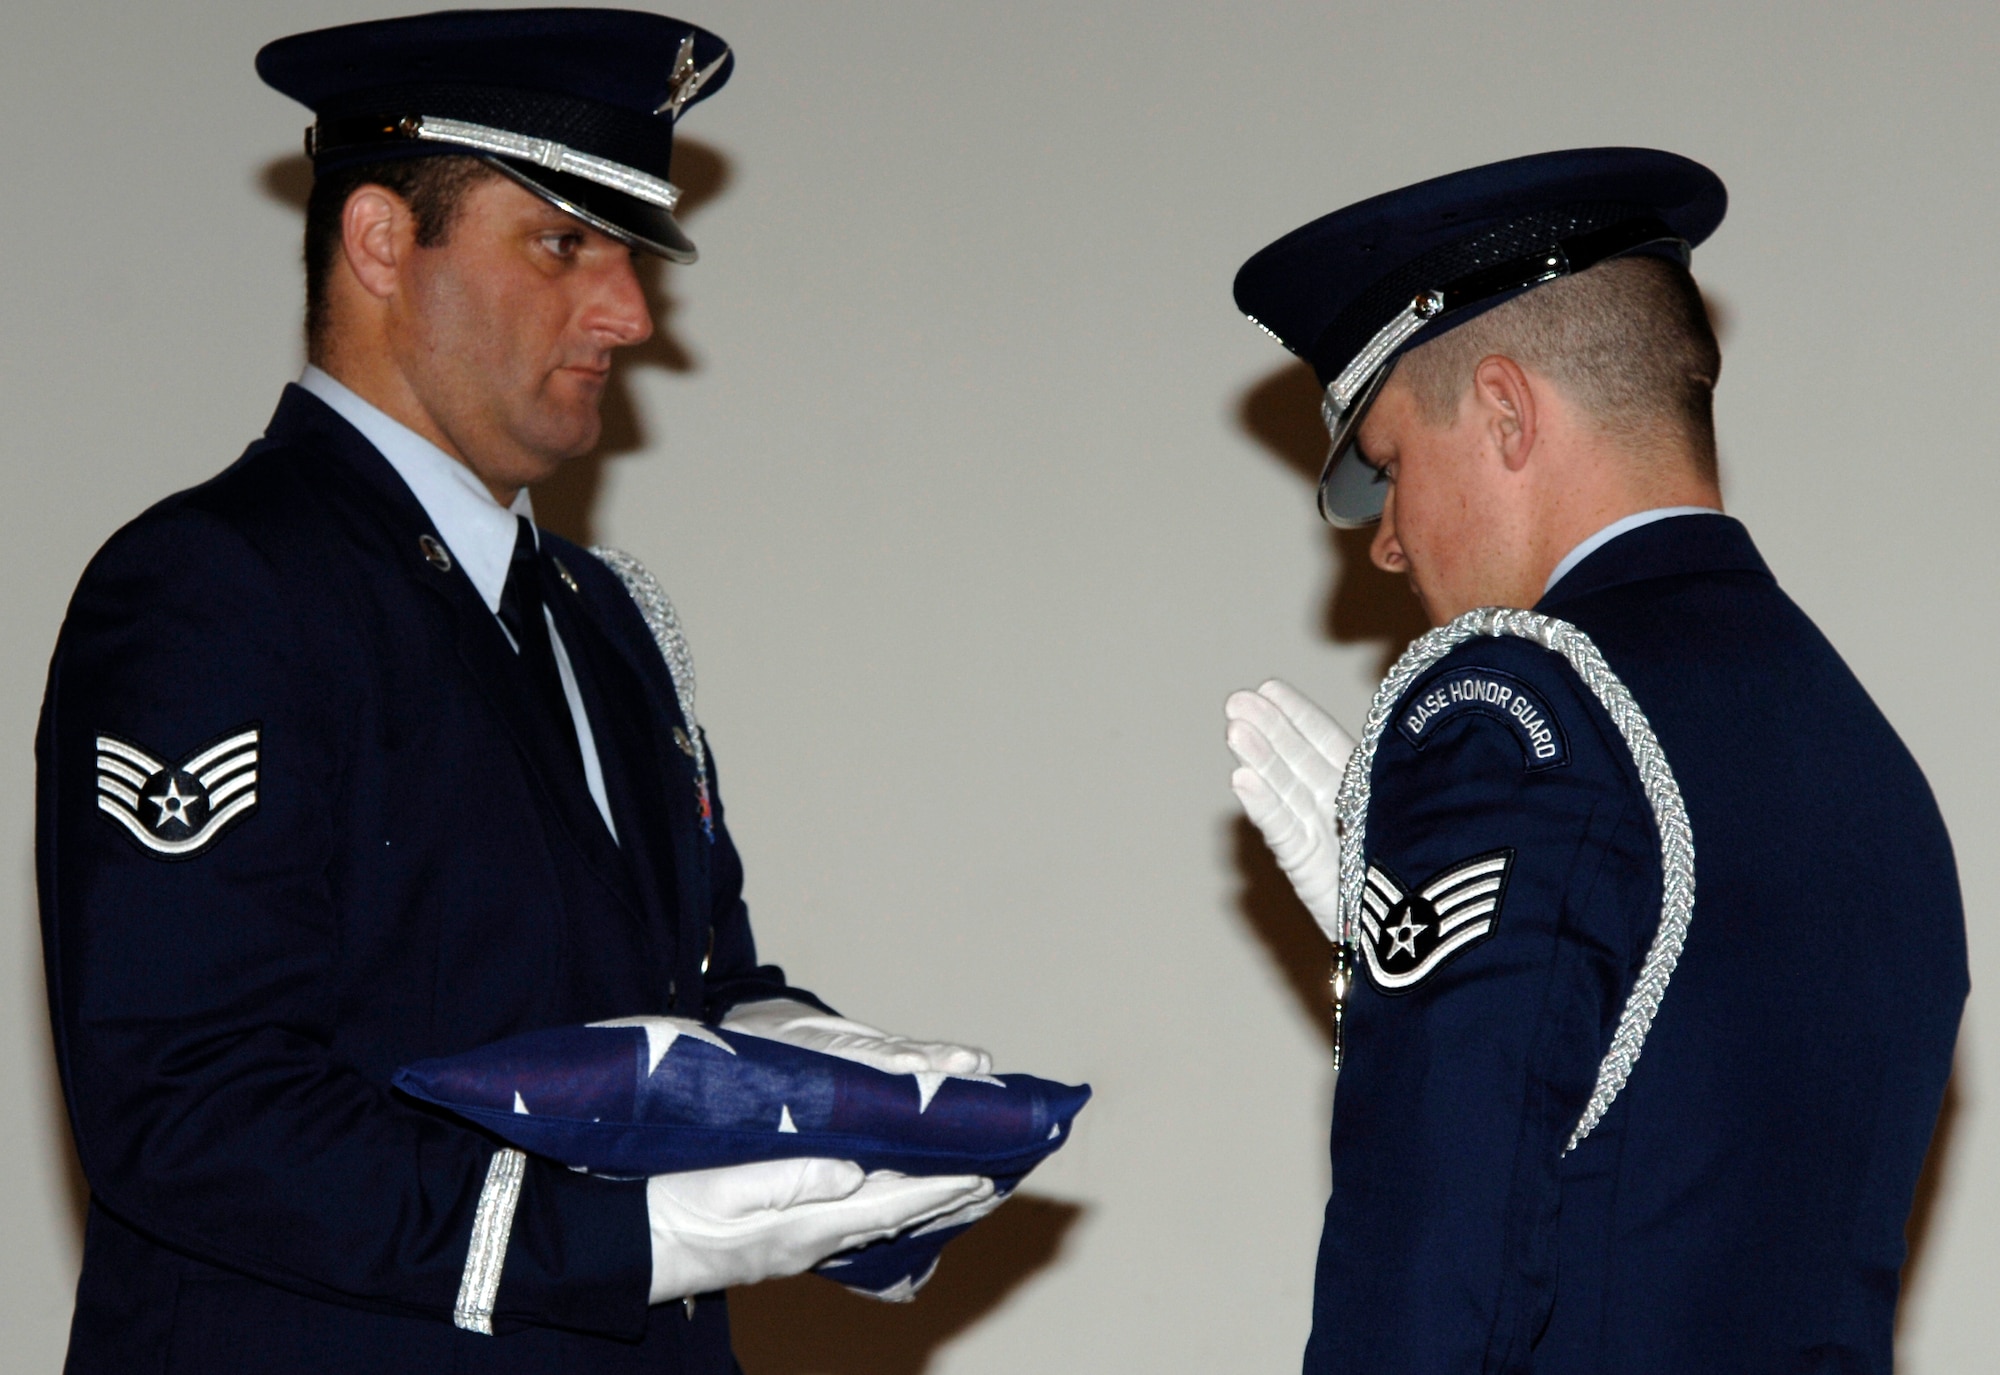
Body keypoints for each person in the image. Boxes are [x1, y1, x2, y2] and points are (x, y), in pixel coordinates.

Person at [37, 10, 996, 1371]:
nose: (630, 313)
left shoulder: (603, 617)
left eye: (632, 256)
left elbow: (675, 987)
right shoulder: (216, 584)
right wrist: (626, 1240)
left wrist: (827, 1081)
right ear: (380, 240)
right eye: (563, 245)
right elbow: (191, 1101)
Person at [1222, 148, 1966, 1372]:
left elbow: (1430, 1278)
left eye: (1392, 466)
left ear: (1506, 413)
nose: (1390, 546)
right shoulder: (1854, 747)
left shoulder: (1511, 711)